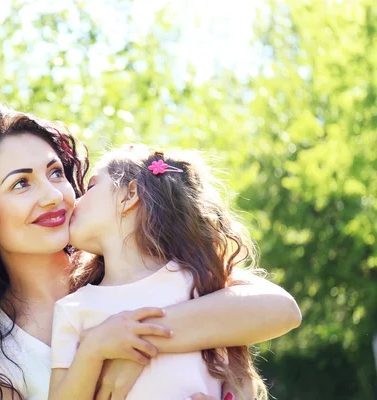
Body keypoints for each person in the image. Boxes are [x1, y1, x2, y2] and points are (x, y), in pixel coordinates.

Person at [0, 99, 301, 400]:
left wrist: (133, 348)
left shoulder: (129, 263)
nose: (53, 196)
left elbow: (278, 309)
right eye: (21, 184)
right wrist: (96, 352)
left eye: (55, 173)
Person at [49, 145, 270, 399]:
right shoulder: (73, 307)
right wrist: (92, 350)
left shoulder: (198, 283)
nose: (75, 202)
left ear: (129, 195)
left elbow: (237, 375)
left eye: (90, 188)